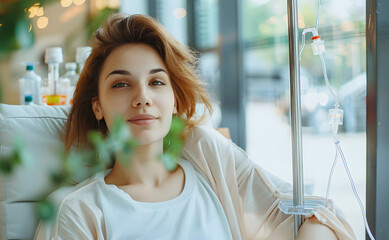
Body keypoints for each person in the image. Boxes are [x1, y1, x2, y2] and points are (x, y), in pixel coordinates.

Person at [34, 13, 356, 240]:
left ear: (174, 100)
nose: (142, 97)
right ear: (97, 107)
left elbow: (320, 215)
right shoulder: (79, 211)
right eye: (121, 85)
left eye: (157, 82)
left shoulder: (211, 166)